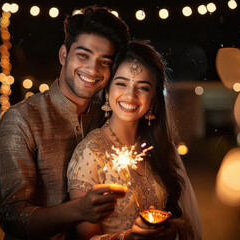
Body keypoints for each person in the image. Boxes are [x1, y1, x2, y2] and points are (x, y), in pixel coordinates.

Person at [0, 6, 130, 240]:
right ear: (64, 55)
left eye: (104, 61)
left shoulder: (107, 116)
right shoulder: (21, 120)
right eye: (83, 55)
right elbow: (12, 217)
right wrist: (79, 210)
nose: (92, 69)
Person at [67, 41, 202, 239]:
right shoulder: (89, 153)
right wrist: (129, 237)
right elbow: (87, 237)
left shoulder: (160, 148)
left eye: (143, 88)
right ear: (107, 90)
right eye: (121, 83)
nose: (130, 95)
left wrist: (173, 230)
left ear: (153, 99)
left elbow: (180, 216)